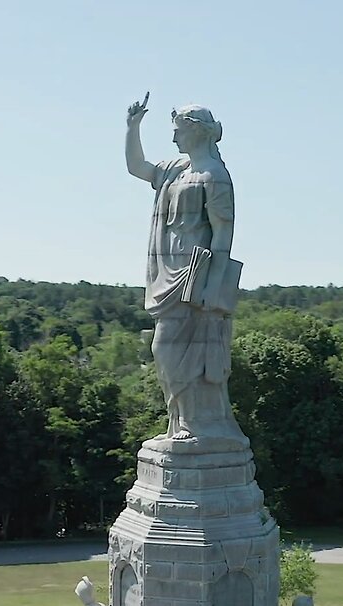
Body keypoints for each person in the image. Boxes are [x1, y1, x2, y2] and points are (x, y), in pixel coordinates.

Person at [125, 95, 245, 444]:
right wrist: (133, 128)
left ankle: (196, 424)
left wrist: (212, 284)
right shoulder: (176, 170)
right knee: (166, 351)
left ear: (198, 133)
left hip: (196, 276)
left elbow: (224, 233)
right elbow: (137, 167)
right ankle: (178, 422)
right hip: (168, 272)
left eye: (178, 130)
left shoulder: (215, 176)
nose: (174, 137)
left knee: (176, 349)